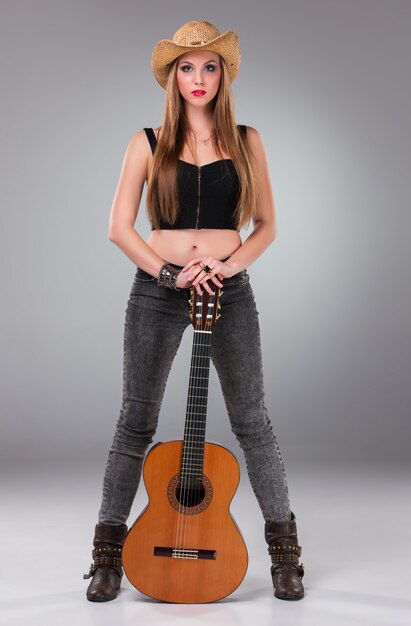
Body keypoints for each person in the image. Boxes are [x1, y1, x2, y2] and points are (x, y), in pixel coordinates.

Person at [83, 19, 305, 603]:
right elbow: (118, 228)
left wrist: (226, 267)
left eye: (209, 66)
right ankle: (106, 557)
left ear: (223, 74)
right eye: (187, 67)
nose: (198, 78)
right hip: (158, 290)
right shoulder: (147, 142)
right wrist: (168, 273)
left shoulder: (248, 139)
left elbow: (267, 227)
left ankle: (287, 558)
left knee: (252, 420)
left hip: (227, 290)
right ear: (172, 76)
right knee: (135, 421)